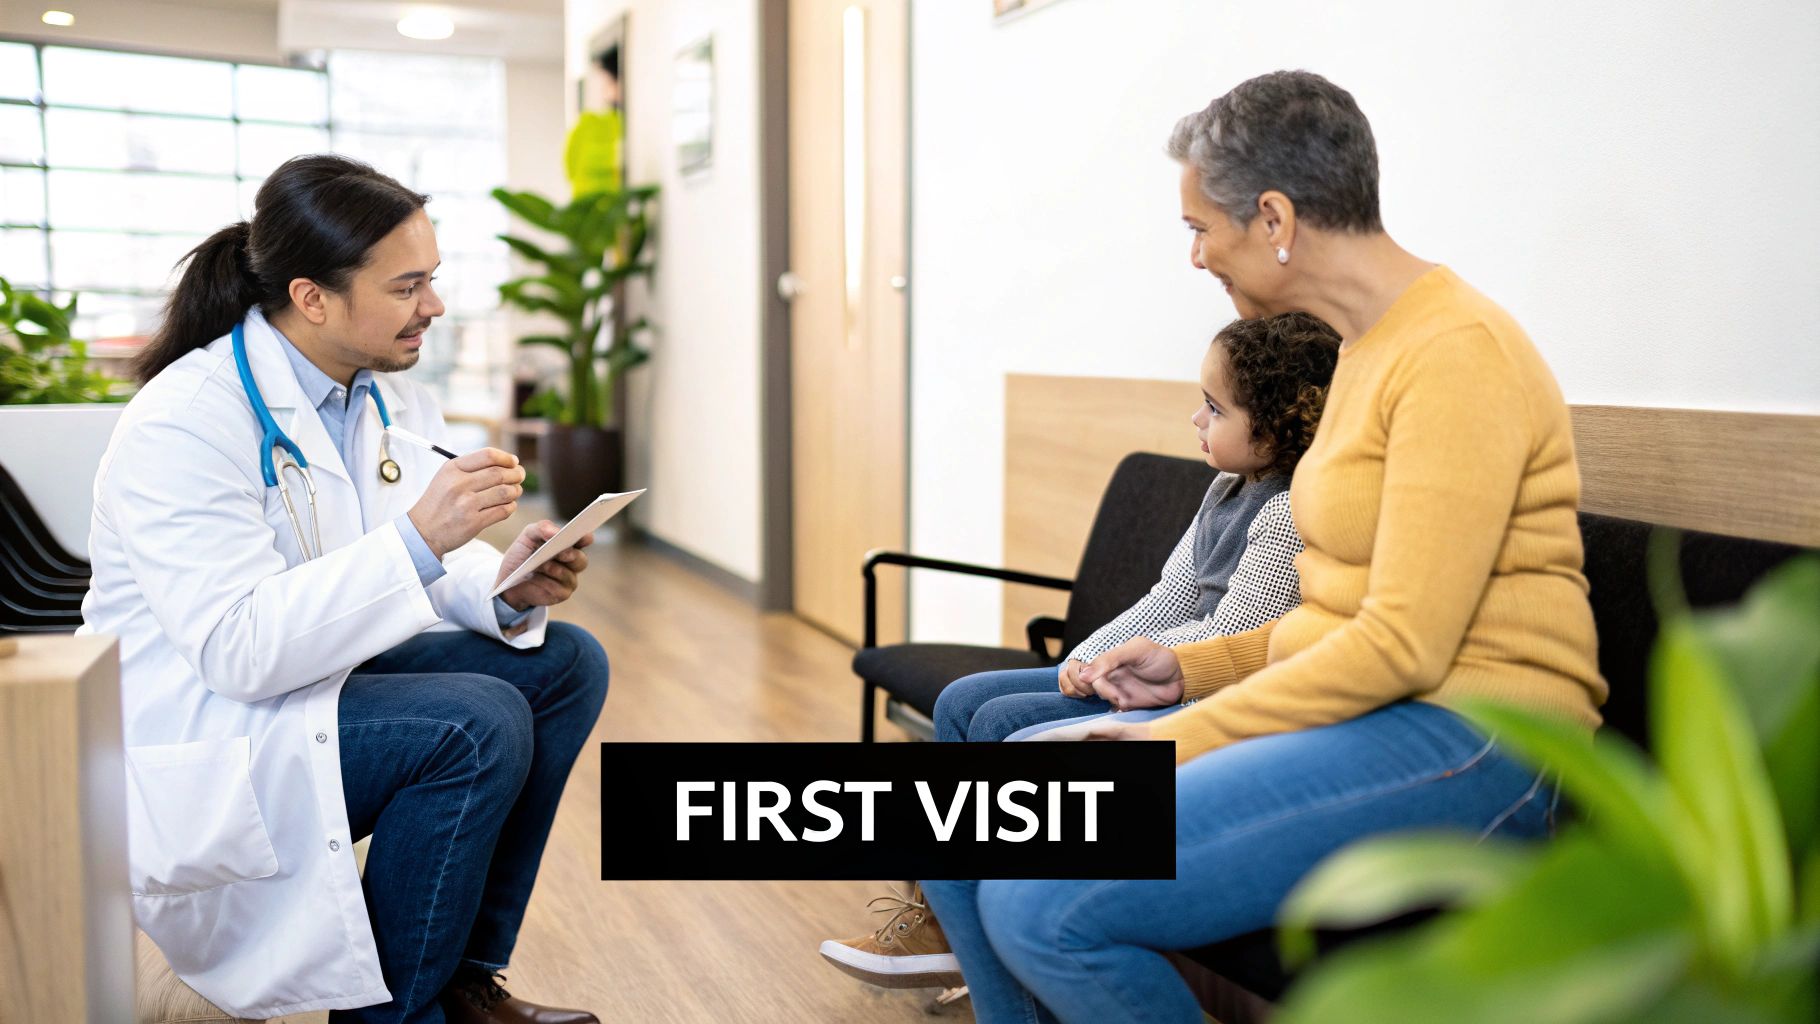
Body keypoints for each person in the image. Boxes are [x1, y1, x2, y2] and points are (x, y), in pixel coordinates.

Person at [920, 70, 1607, 1022]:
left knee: (1048, 901)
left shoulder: (1457, 353)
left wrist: (1176, 740)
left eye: (1203, 229)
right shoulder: (1364, 351)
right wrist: (1191, 668)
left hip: (1478, 736)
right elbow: (1341, 614)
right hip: (1372, 708)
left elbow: (1404, 644)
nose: (1198, 256)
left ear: (1275, 218)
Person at [80, 155, 609, 1024]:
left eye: (431, 281)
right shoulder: (187, 419)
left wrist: (510, 583)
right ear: (313, 296)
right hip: (210, 729)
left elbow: (410, 564)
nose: (433, 307)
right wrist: (421, 537)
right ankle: (397, 1016)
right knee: (472, 724)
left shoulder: (371, 399)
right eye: (407, 287)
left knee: (566, 662)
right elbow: (238, 650)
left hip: (311, 680)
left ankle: (464, 980)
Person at [818, 311, 1342, 990]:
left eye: (1214, 408)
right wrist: (1086, 652)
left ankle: (977, 941)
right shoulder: (1223, 488)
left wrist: (1109, 666)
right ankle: (946, 923)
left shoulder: (1288, 510)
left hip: (1200, 689)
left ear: (1273, 426)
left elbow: (1224, 639)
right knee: (961, 701)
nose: (1196, 420)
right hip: (1152, 666)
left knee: (1003, 724)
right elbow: (1170, 595)